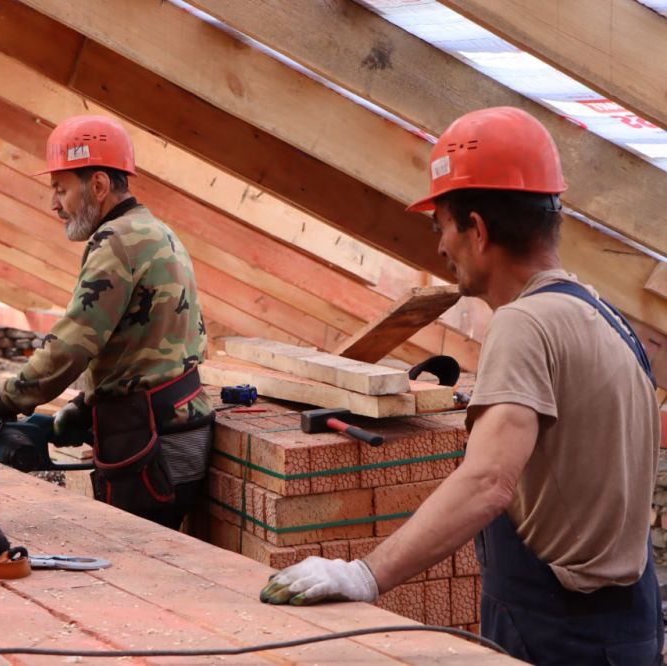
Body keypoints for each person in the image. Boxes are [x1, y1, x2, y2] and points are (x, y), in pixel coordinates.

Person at [259, 107, 663, 664]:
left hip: (560, 635)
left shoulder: (525, 325)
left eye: (442, 227)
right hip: (629, 627)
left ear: (479, 229)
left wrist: (364, 573)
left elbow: (488, 481)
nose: (441, 248)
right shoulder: (605, 316)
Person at [0, 115, 214, 530]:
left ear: (99, 185)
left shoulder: (116, 242)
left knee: (135, 565)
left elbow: (73, 343)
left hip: (147, 441)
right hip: (179, 428)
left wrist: (3, 401)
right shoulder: (156, 232)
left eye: (60, 188)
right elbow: (145, 347)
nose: (54, 204)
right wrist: (82, 410)